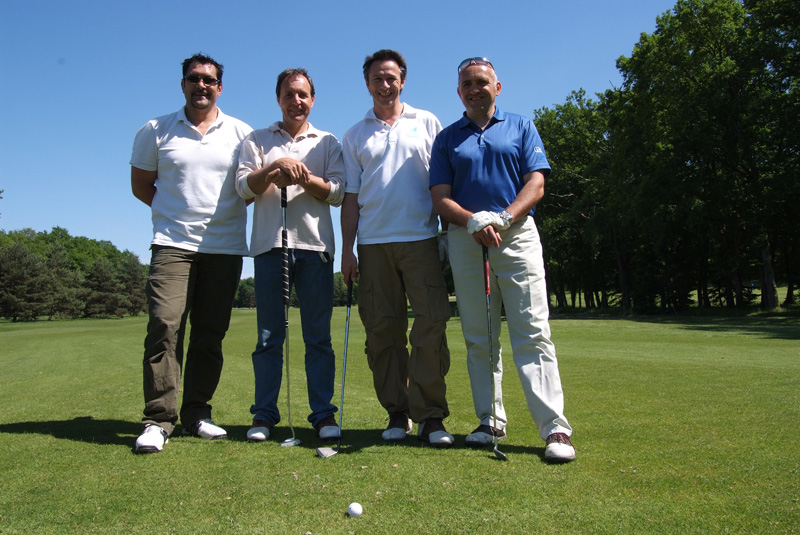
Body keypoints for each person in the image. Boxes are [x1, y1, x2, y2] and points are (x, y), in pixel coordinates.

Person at [429, 57, 576, 462]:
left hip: (516, 234)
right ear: (458, 92)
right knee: (480, 337)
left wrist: (505, 217)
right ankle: (490, 420)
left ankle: (555, 428)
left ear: (497, 87)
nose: (474, 89)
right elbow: (440, 197)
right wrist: (471, 220)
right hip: (465, 239)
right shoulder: (447, 138)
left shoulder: (521, 126)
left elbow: (536, 183)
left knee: (532, 331)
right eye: (467, 84)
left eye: (482, 82)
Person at [130, 53, 253, 453]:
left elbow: (248, 189)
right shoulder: (155, 130)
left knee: (209, 334)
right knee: (165, 326)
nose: (202, 85)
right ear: (182, 84)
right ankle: (158, 419)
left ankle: (197, 413)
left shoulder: (241, 133)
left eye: (209, 80)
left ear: (220, 87)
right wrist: (175, 216)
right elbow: (141, 185)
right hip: (172, 245)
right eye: (194, 78)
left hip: (224, 248)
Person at [341, 49, 453, 447]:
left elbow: (442, 182)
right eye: (377, 78)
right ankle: (397, 412)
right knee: (382, 332)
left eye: (391, 78)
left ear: (402, 81)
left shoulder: (428, 122)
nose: (385, 84)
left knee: (430, 325)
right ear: (367, 83)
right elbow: (351, 198)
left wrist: (445, 234)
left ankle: (431, 416)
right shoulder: (354, 135)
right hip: (373, 245)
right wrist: (347, 250)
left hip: (421, 240)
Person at [235, 68, 344, 442]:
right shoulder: (258, 139)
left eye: (302, 94)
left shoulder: (327, 141)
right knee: (269, 337)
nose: (296, 101)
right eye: (288, 94)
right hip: (270, 247)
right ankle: (264, 416)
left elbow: (337, 193)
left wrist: (302, 177)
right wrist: (275, 166)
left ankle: (323, 415)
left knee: (318, 338)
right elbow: (243, 188)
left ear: (312, 99)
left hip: (315, 249)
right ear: (278, 99)